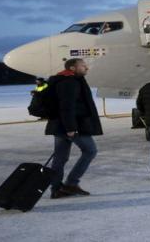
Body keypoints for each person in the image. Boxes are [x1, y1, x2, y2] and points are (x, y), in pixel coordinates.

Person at [45, 58, 102, 199]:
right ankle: (71, 183)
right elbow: (67, 106)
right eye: (83, 66)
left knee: (60, 158)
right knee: (90, 150)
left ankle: (57, 189)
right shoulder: (69, 82)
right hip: (73, 125)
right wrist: (70, 128)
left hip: (59, 125)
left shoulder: (63, 80)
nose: (86, 68)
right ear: (72, 68)